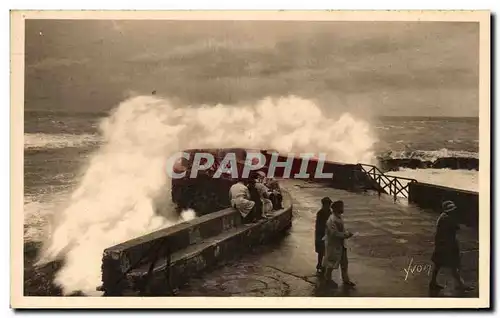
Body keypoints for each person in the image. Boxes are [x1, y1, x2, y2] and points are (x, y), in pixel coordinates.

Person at [429, 200, 473, 292]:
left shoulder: (443, 217)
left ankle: (433, 283)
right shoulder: (447, 219)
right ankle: (461, 285)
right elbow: (456, 227)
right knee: (453, 266)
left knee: (438, 266)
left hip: (442, 245)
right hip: (447, 246)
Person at [322, 200, 356, 288]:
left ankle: (346, 280)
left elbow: (342, 230)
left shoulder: (339, 217)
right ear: (337, 208)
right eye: (341, 207)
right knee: (331, 263)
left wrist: (346, 233)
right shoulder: (332, 219)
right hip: (334, 244)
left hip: (341, 244)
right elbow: (334, 233)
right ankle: (327, 278)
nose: (343, 209)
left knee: (344, 263)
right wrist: (346, 235)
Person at [315, 197, 332, 273]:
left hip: (328, 234)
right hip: (321, 234)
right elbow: (318, 225)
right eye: (327, 204)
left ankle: (324, 265)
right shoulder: (320, 213)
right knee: (321, 251)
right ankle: (319, 265)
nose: (328, 206)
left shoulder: (330, 213)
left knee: (327, 251)